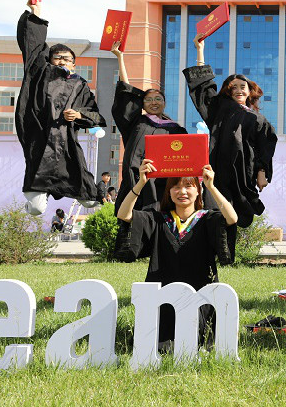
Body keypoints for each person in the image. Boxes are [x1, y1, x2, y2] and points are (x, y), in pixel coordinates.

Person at [116, 159, 237, 351]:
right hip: (163, 293)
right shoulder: (157, 219)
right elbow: (124, 215)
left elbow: (232, 218)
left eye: (189, 186)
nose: (182, 192)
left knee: (199, 341)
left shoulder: (207, 218)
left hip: (199, 292)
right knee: (159, 344)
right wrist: (141, 183)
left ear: (198, 191)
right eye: (176, 187)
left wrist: (211, 186)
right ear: (169, 192)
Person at [16, 0, 106, 215]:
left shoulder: (80, 84)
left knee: (91, 201)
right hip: (40, 140)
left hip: (67, 145)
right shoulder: (40, 74)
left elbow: (94, 114)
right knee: (36, 209)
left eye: (68, 59)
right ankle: (33, 203)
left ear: (74, 64)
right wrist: (35, 14)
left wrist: (79, 114)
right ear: (50, 61)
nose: (63, 61)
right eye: (58, 58)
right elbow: (34, 46)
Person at [183, 34, 277, 229]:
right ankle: (219, 250)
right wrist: (200, 51)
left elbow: (265, 147)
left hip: (245, 172)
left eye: (243, 87)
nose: (239, 90)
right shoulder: (220, 110)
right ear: (227, 91)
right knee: (216, 210)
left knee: (239, 213)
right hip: (219, 168)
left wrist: (261, 173)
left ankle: (229, 253)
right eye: (233, 87)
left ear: (250, 91)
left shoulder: (259, 119)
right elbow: (203, 88)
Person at [110, 41, 187, 213]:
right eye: (149, 99)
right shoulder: (136, 123)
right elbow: (126, 92)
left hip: (165, 188)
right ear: (142, 105)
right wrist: (120, 57)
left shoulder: (175, 129)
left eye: (158, 98)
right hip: (135, 184)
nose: (154, 102)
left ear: (165, 104)